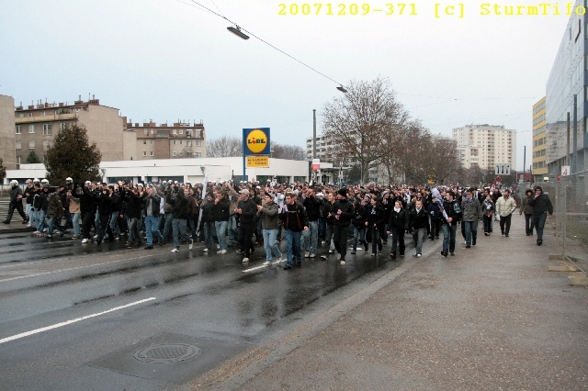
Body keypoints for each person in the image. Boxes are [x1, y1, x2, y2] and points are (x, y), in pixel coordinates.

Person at [279, 191, 309, 270]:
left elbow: (304, 216)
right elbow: (281, 217)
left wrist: (305, 225)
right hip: (288, 229)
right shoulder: (285, 206)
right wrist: (282, 211)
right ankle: (289, 263)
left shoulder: (299, 206)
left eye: (288, 198)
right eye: (286, 198)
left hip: (297, 229)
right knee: (289, 246)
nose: (287, 200)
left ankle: (299, 259)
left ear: (293, 198)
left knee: (297, 245)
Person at [257, 192, 283, 266]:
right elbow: (257, 216)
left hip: (272, 228)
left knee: (272, 244)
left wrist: (263, 209)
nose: (265, 198)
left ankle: (279, 255)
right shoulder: (264, 206)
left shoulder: (274, 206)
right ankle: (269, 260)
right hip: (265, 228)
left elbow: (272, 213)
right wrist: (259, 210)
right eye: (265, 197)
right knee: (266, 246)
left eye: (267, 197)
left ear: (271, 199)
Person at [331, 188, 355, 265]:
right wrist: (335, 216)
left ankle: (343, 257)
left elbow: (351, 215)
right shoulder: (336, 203)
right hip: (337, 224)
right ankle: (340, 252)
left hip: (345, 225)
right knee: (336, 240)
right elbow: (332, 211)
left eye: (339, 194)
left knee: (343, 241)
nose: (337, 195)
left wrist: (342, 214)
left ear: (343, 195)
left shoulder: (349, 204)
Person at [167, 186, 194, 253]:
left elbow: (183, 199)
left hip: (182, 218)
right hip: (175, 217)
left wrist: (179, 191)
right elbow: (169, 201)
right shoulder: (175, 199)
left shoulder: (185, 200)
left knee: (183, 233)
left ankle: (190, 241)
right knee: (175, 233)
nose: (177, 193)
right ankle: (176, 247)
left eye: (179, 192)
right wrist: (168, 193)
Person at [235, 189, 257, 263]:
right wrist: (237, 212)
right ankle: (250, 247)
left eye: (242, 193)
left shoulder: (252, 203)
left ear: (246, 194)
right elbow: (239, 212)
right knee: (240, 238)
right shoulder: (240, 202)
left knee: (247, 239)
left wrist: (242, 212)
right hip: (242, 222)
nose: (240, 195)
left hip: (250, 223)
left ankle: (246, 254)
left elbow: (251, 214)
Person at [440, 191, 461, 257]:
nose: (445, 196)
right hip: (445, 222)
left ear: (451, 196)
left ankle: (452, 250)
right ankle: (445, 250)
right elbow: (441, 213)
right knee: (446, 236)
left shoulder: (456, 203)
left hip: (453, 223)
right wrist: (441, 214)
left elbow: (458, 214)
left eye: (447, 195)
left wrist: (452, 218)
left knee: (452, 237)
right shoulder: (444, 203)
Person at [302, 187, 321, 258]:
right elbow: (303, 204)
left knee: (314, 237)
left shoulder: (317, 199)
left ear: (314, 192)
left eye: (310, 192)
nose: (308, 193)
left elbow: (317, 203)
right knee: (306, 236)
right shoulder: (307, 199)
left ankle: (313, 251)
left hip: (314, 220)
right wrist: (307, 197)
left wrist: (311, 196)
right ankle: (307, 250)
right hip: (307, 220)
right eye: (308, 191)